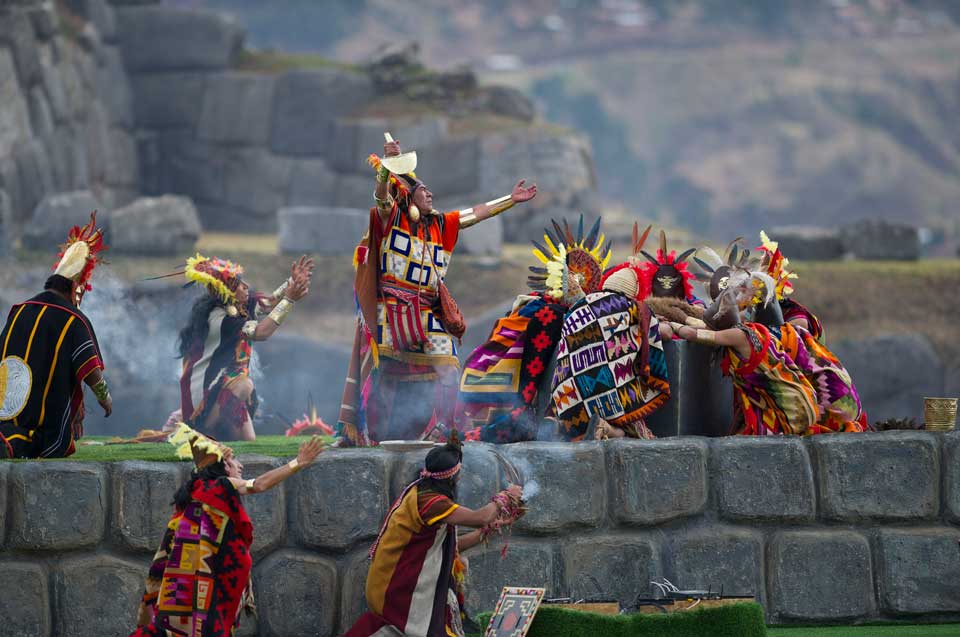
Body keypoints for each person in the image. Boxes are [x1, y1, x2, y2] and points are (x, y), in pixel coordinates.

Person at [337, 136, 537, 445]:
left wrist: (510, 200)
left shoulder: (442, 224)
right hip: (391, 310)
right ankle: (374, 435)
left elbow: (474, 213)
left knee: (448, 365)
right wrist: (387, 168)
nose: (430, 194)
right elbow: (381, 197)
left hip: (428, 311)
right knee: (386, 372)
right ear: (410, 199)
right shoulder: (393, 218)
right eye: (423, 191)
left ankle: (443, 428)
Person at [131, 423, 324, 636]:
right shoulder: (220, 486)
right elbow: (259, 485)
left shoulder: (194, 495)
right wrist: (298, 462)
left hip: (194, 591)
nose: (239, 465)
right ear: (222, 467)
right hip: (210, 590)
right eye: (233, 460)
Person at [344, 433, 525, 637]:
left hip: (395, 583)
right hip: (398, 590)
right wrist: (507, 496)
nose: (460, 478)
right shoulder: (431, 503)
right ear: (452, 477)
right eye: (459, 475)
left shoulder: (425, 494)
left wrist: (486, 531)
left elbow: (455, 546)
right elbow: (481, 517)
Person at [457, 215, 611, 443]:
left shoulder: (553, 312)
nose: (577, 284)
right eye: (572, 278)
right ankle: (521, 413)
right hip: (524, 398)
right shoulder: (542, 311)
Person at [0, 213, 111, 458]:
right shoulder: (74, 319)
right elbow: (91, 370)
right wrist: (105, 398)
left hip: (5, 414)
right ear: (74, 288)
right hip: (42, 428)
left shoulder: (20, 310)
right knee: (43, 440)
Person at [663, 268, 822, 436]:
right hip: (798, 400)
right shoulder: (754, 330)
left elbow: (692, 334)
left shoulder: (738, 334)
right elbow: (704, 329)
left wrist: (672, 324)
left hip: (791, 406)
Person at [176, 254, 314, 441]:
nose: (246, 286)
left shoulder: (238, 305)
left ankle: (219, 435)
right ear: (228, 291)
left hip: (227, 393)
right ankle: (203, 432)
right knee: (244, 384)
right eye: (239, 284)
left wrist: (293, 281)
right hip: (205, 399)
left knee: (249, 442)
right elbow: (262, 332)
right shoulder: (221, 319)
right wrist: (289, 300)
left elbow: (268, 303)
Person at [550, 256, 671, 441]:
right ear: (634, 291)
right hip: (604, 392)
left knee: (576, 413)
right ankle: (606, 428)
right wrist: (656, 321)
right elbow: (666, 333)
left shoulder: (580, 306)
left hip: (568, 393)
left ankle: (561, 425)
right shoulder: (632, 308)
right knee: (633, 432)